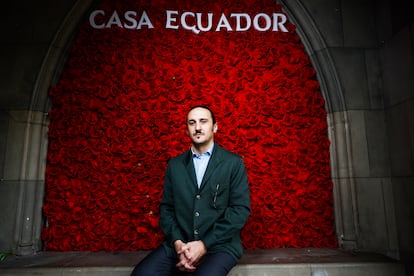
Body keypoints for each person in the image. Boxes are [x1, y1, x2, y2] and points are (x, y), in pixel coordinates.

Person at [131, 105, 251, 276]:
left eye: (203, 121)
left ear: (215, 127)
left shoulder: (233, 163)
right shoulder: (175, 165)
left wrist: (204, 244)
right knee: (141, 274)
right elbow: (166, 209)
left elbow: (240, 210)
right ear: (187, 130)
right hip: (180, 246)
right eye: (192, 123)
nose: (198, 127)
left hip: (219, 246)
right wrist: (178, 243)